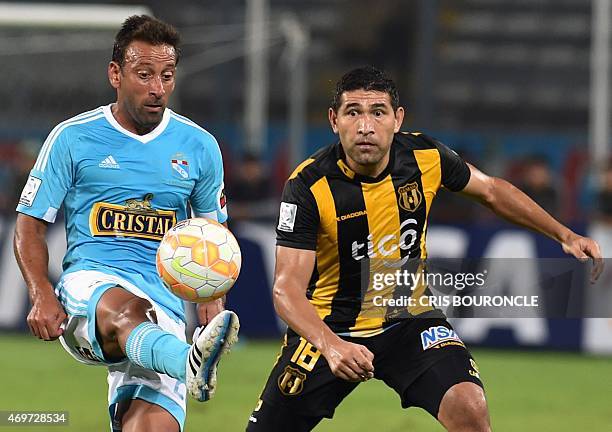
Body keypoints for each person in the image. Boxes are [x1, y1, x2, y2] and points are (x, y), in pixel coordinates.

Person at [246, 66, 603, 432]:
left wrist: (564, 234)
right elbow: (286, 290)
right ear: (334, 120)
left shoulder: (425, 156)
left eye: (378, 112)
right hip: (332, 329)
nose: (365, 125)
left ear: (397, 119)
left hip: (411, 321)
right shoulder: (308, 186)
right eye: (353, 112)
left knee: (470, 406)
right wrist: (332, 345)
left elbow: (493, 191)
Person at [14, 15, 239, 432]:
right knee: (127, 309)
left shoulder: (200, 145)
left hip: (164, 308)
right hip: (89, 291)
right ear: (115, 74)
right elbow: (29, 224)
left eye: (167, 75)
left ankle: (181, 358)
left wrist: (213, 296)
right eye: (145, 74)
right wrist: (41, 292)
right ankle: (188, 362)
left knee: (151, 428)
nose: (158, 88)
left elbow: (214, 232)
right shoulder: (73, 138)